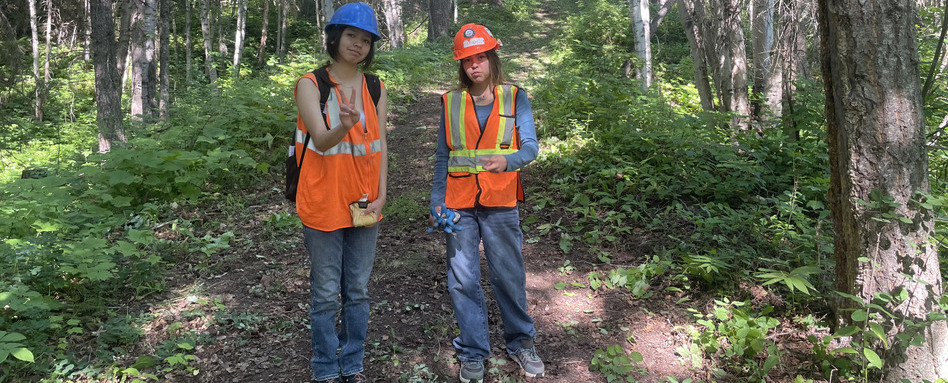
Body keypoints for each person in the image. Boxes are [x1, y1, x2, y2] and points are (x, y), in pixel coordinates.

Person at [429, 23, 544, 383]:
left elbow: (530, 148)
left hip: (500, 201)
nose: (474, 66)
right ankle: (474, 351)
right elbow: (442, 157)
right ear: (461, 66)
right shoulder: (451, 101)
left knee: (508, 275)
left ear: (492, 58)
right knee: (463, 280)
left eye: (480, 58)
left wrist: (506, 162)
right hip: (458, 203)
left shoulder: (515, 96)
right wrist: (436, 200)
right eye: (467, 61)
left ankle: (521, 343)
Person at [293, 3, 388, 383]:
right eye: (351, 35)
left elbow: (381, 145)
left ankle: (352, 364)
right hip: (322, 201)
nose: (358, 45)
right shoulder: (310, 84)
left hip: (364, 204)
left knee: (358, 290)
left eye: (366, 40)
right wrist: (345, 125)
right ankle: (325, 368)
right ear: (334, 37)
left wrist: (383, 194)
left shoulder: (375, 86)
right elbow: (320, 139)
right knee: (325, 292)